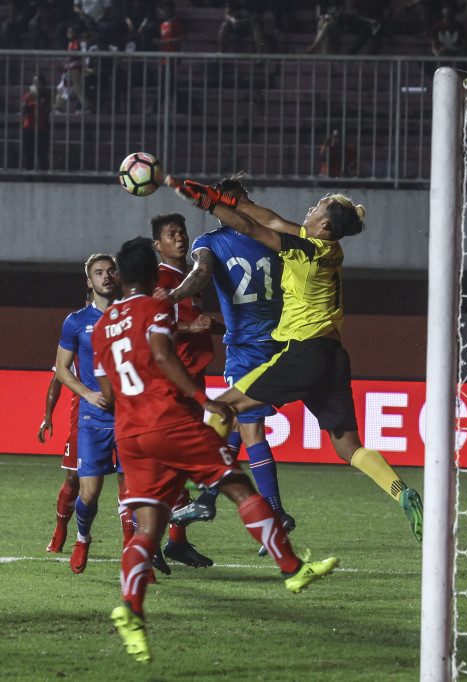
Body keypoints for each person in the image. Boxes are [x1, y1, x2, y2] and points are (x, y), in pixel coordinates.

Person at [93, 236, 338, 664]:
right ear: (152, 274)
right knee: (239, 486)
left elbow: (109, 391)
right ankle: (292, 569)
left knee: (148, 526)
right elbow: (163, 354)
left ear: (120, 278)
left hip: (130, 434)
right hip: (170, 421)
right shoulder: (157, 307)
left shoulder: (101, 327)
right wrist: (203, 401)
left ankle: (130, 607)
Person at [166, 176, 424, 542]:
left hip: (305, 354)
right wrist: (218, 197)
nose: (308, 209)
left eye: (315, 207)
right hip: (335, 357)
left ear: (323, 224)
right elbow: (267, 219)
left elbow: (252, 226)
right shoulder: (329, 247)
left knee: (223, 405)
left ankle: (204, 488)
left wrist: (206, 202)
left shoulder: (303, 249)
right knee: (348, 446)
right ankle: (402, 492)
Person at [157, 178, 296, 551]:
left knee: (250, 430)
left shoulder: (209, 243)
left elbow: (200, 274)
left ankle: (275, 512)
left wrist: (169, 297)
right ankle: (206, 498)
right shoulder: (273, 239)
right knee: (234, 419)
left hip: (247, 348)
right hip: (281, 343)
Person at [150, 212, 223, 566]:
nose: (180, 238)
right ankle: (145, 542)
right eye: (171, 234)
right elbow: (150, 323)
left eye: (182, 232)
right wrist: (191, 327)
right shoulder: (160, 279)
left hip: (194, 376)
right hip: (173, 379)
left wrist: (218, 328)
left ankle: (176, 541)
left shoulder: (190, 279)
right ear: (158, 245)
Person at [54, 253, 128, 573]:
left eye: (111, 271)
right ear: (90, 282)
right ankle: (82, 538)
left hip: (131, 418)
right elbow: (61, 368)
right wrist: (88, 394)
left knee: (134, 494)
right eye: (99, 273)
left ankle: (135, 555)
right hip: (93, 419)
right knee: (89, 493)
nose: (106, 276)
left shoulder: (134, 316)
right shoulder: (75, 321)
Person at [38, 363, 81, 553]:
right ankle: (60, 529)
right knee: (73, 476)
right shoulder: (77, 336)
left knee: (128, 479)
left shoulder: (123, 335)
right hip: (84, 418)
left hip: (118, 417)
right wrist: (48, 416)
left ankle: (134, 545)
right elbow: (58, 376)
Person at [21, 74, 50, 171]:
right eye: (34, 83)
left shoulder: (46, 96)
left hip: (41, 128)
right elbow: (23, 112)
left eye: (38, 83)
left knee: (43, 154)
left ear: (43, 84)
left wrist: (38, 99)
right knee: (29, 153)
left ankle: (44, 177)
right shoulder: (27, 96)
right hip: (29, 127)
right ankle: (29, 175)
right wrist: (28, 100)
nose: (36, 85)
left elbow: (47, 111)